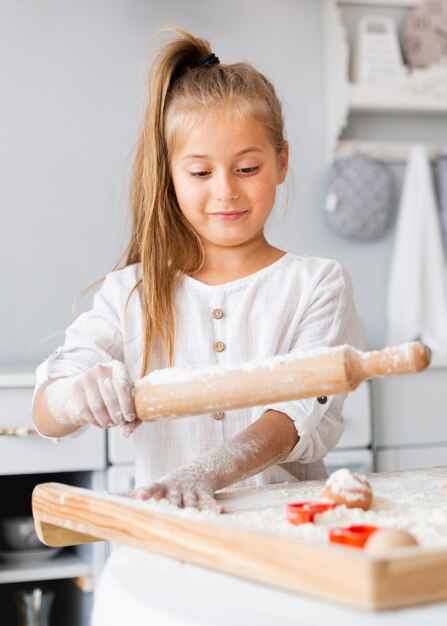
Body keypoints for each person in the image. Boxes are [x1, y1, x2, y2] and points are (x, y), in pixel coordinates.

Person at [32, 27, 359, 512]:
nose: (225, 191)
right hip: (174, 537)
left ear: (281, 161)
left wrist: (204, 472)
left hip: (290, 535)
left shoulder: (316, 284)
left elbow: (296, 413)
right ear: (170, 175)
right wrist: (74, 398)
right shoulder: (133, 293)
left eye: (247, 168)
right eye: (201, 173)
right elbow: (45, 412)